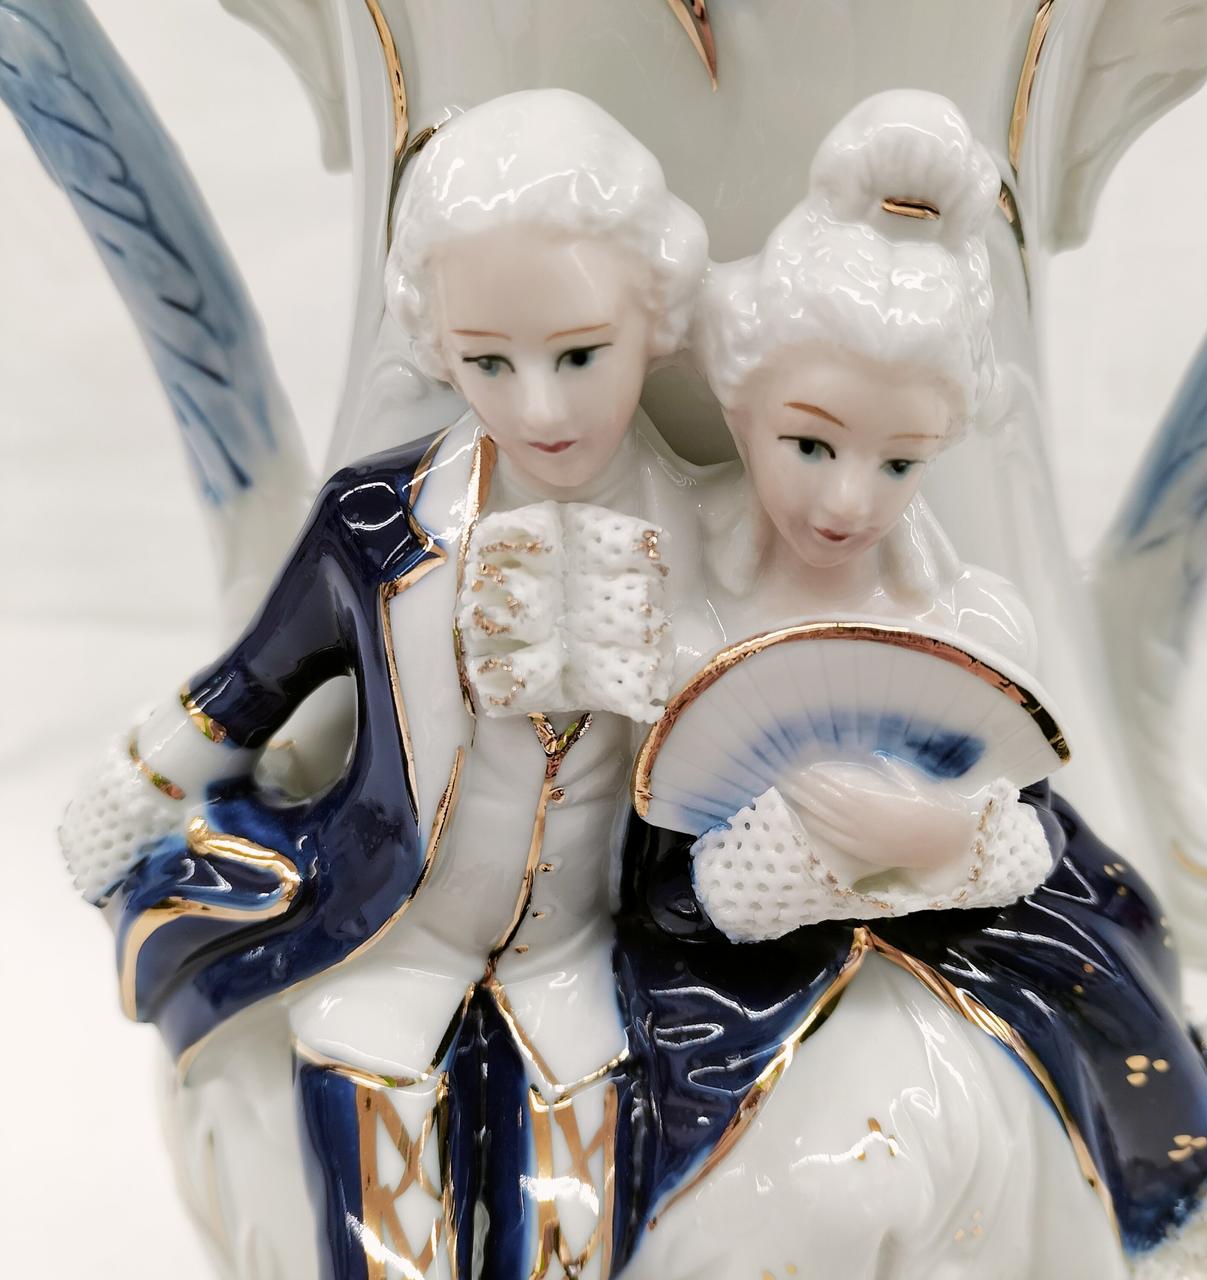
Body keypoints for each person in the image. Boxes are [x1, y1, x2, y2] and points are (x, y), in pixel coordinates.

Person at [59, 88, 716, 1279]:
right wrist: (132, 785)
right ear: (436, 339)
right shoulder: (378, 523)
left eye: (579, 355)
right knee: (376, 1197)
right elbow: (252, 680)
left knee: (568, 1215)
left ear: (654, 315)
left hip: (580, 950)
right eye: (489, 361)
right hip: (391, 928)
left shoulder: (707, 539)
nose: (539, 406)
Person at [613, 92, 1207, 1278]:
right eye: (809, 443)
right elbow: (662, 867)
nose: (845, 499)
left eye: (897, 461)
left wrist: (934, 836)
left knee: (1042, 1087)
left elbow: (1031, 829)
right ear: (740, 402)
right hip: (734, 972)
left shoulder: (965, 616)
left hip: (970, 945)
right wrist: (802, 854)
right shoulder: (685, 604)